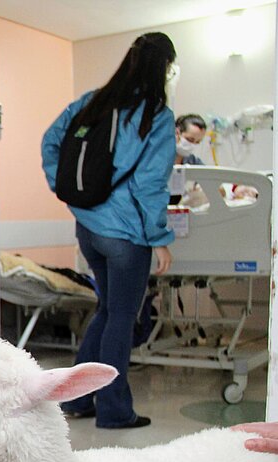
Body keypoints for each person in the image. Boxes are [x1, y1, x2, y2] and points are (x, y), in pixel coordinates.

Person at [41, 32, 177, 429]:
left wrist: (71, 194)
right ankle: (115, 410)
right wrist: (159, 238)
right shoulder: (155, 115)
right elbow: (150, 183)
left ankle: (77, 399)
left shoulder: (91, 102)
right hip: (126, 235)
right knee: (122, 316)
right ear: (164, 68)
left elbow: (50, 143)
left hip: (88, 229)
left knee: (106, 310)